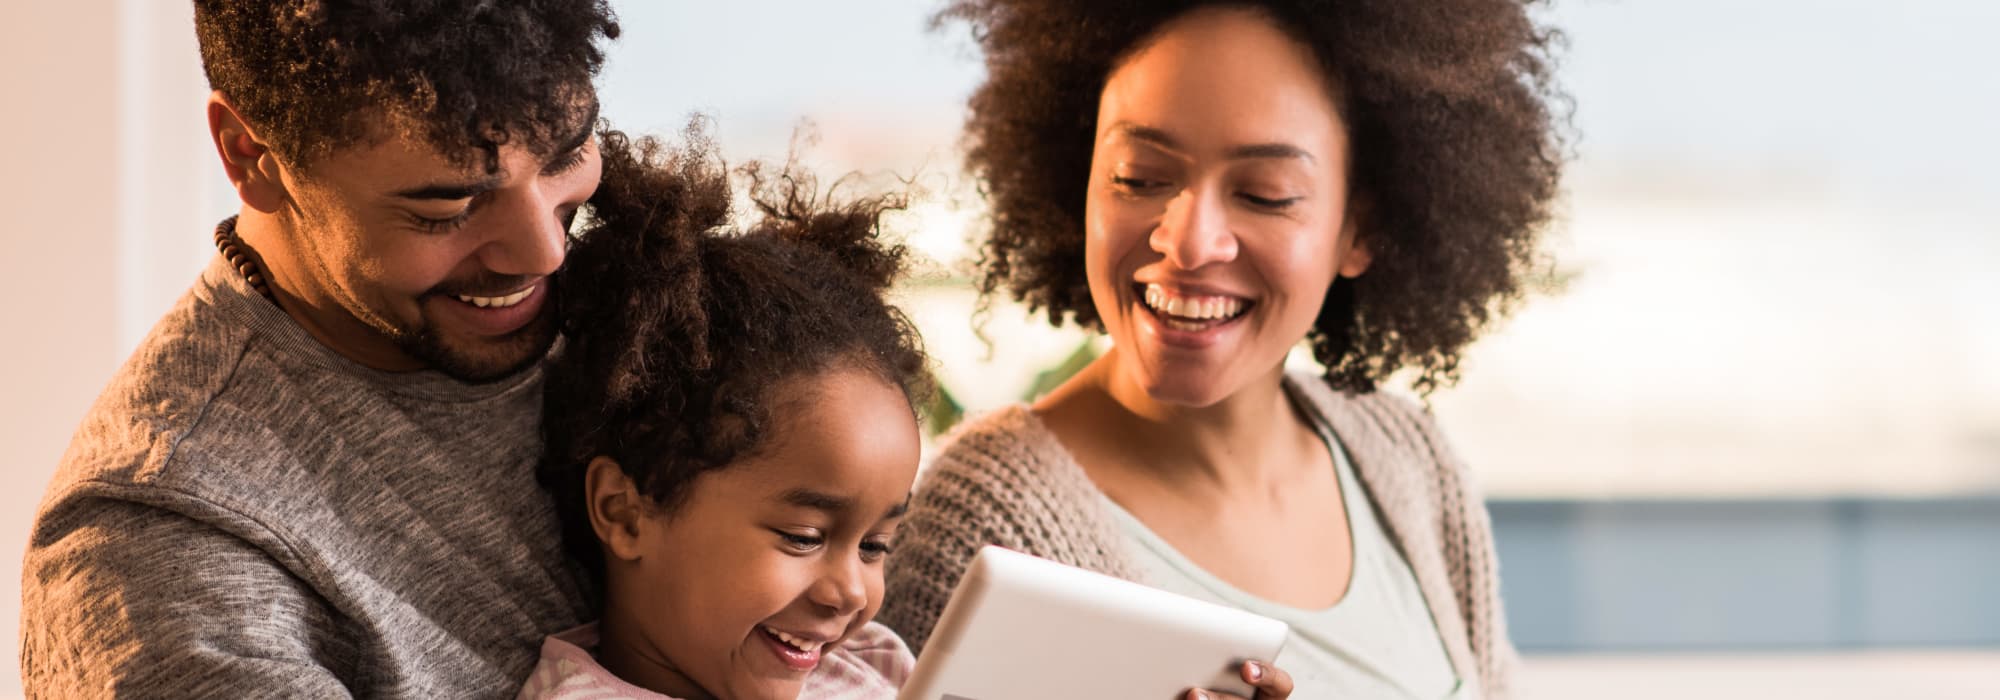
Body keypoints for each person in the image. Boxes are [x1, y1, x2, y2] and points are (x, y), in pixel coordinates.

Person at [882, 2, 1565, 699]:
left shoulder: (1408, 462)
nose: (1188, 242)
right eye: (1139, 178)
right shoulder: (981, 529)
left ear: (1360, 229)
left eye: (1265, 195)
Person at [21, 1, 619, 695]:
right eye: (446, 209)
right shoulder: (164, 544)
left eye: (567, 154)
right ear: (251, 156)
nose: (545, 252)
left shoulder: (651, 299)